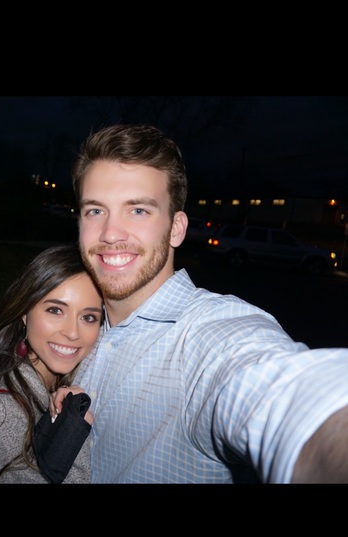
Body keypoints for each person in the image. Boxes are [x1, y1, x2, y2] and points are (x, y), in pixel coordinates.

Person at [51, 123, 348, 483]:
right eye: (95, 211)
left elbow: (280, 393)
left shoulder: (209, 335)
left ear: (176, 228)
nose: (111, 233)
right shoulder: (81, 326)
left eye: (139, 210)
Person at [0, 243, 103, 483]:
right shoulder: (1, 411)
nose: (73, 333)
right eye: (55, 310)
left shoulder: (83, 366)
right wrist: (73, 432)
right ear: (25, 312)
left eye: (88, 317)